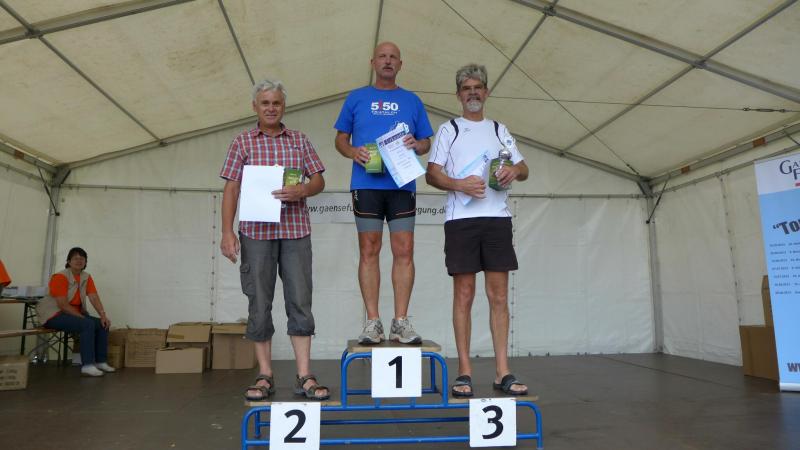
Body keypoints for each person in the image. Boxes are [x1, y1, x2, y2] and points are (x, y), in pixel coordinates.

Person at [220, 79, 329, 401]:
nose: (271, 108)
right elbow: (231, 188)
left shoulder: (300, 140)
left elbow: (319, 179)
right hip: (255, 234)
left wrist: (303, 189)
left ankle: (304, 375)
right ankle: (265, 374)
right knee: (259, 302)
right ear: (255, 106)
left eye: (276, 103)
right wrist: (227, 231)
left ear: (284, 106)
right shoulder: (242, 142)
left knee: (300, 300)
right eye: (265, 103)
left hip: (295, 231)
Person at [426, 64, 530, 397]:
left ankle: (503, 371)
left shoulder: (499, 129)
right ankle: (464, 372)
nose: (472, 93)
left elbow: (524, 167)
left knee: (498, 296)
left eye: (478, 87)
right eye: (466, 88)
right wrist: (459, 184)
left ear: (486, 92)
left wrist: (513, 171)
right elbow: (431, 174)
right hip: (461, 221)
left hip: (497, 219)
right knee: (464, 294)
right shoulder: (449, 130)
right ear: (458, 95)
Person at [334, 41, 433, 345]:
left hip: (402, 185)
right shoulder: (356, 97)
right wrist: (353, 152)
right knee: (369, 249)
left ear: (400, 64)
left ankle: (400, 322)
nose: (388, 61)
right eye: (382, 57)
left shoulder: (412, 100)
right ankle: (373, 322)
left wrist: (417, 145)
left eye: (393, 57)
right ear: (373, 63)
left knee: (404, 250)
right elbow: (340, 139)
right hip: (367, 185)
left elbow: (426, 142)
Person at [38, 247, 115, 377]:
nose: (79, 261)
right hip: (54, 314)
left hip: (72, 314)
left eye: (82, 258)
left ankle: (101, 362)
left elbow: (94, 297)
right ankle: (87, 366)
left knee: (103, 324)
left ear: (85, 262)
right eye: (75, 258)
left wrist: (103, 315)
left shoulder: (86, 277)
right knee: (87, 324)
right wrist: (82, 317)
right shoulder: (60, 277)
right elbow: (62, 305)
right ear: (69, 261)